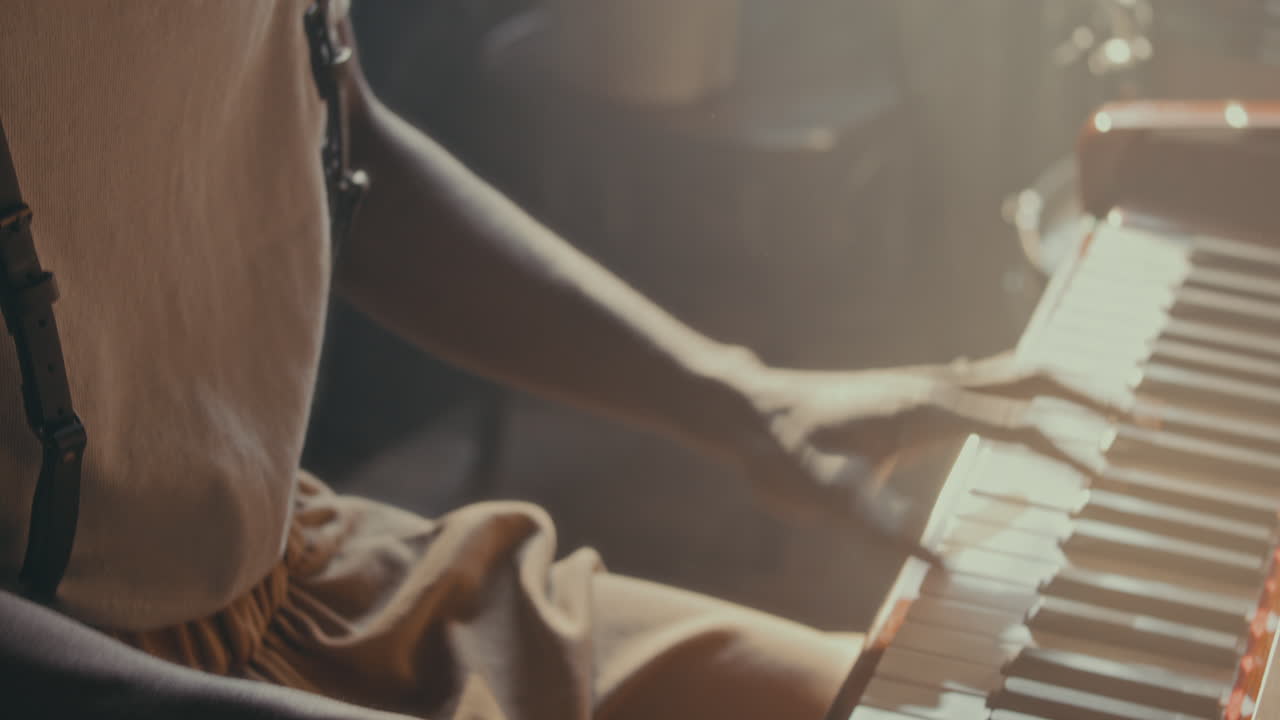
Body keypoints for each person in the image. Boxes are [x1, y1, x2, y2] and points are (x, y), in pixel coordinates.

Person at [0, 2, 1116, 719]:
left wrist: (734, 395)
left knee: (934, 701)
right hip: (88, 667)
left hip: (308, 589)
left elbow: (330, 133)